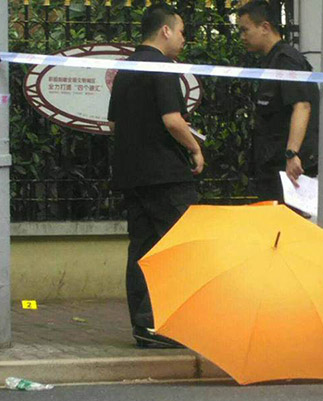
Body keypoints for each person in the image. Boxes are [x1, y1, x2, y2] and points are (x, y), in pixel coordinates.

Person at [107, 2, 205, 349]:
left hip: (132, 174)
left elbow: (114, 123)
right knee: (180, 250)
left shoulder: (124, 71)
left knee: (143, 251)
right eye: (180, 31)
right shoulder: (163, 67)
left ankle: (145, 326)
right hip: (166, 174)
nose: (183, 38)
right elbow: (172, 120)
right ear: (165, 30)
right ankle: (170, 323)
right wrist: (194, 147)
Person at [236, 0, 319, 203]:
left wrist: (292, 154)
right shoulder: (270, 60)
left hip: (288, 171)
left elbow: (302, 106)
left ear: (265, 27)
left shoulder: (286, 60)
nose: (242, 37)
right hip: (273, 168)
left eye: (245, 30)